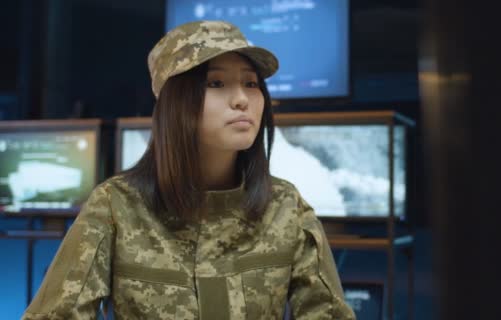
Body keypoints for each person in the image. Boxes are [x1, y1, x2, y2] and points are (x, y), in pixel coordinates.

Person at [22, 21, 355, 319]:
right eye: (216, 83)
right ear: (175, 102)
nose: (241, 99)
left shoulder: (284, 206)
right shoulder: (117, 207)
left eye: (251, 84)